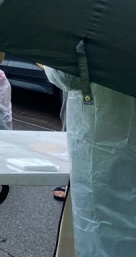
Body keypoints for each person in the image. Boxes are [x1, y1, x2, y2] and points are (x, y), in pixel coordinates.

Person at [44, 67, 136, 257]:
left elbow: (66, 76)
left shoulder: (102, 36)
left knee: (104, 231)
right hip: (109, 142)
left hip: (103, 142)